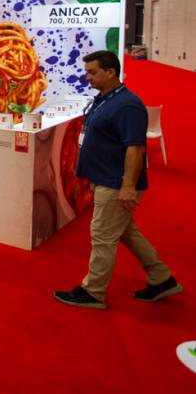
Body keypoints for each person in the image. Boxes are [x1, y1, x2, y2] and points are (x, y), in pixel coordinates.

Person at [54, 51, 181, 309]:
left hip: (115, 183)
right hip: (103, 178)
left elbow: (136, 148)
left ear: (111, 72)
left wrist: (127, 187)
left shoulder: (128, 105)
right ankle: (162, 278)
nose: (87, 77)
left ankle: (93, 292)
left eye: (93, 72)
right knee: (126, 232)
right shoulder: (104, 99)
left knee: (102, 236)